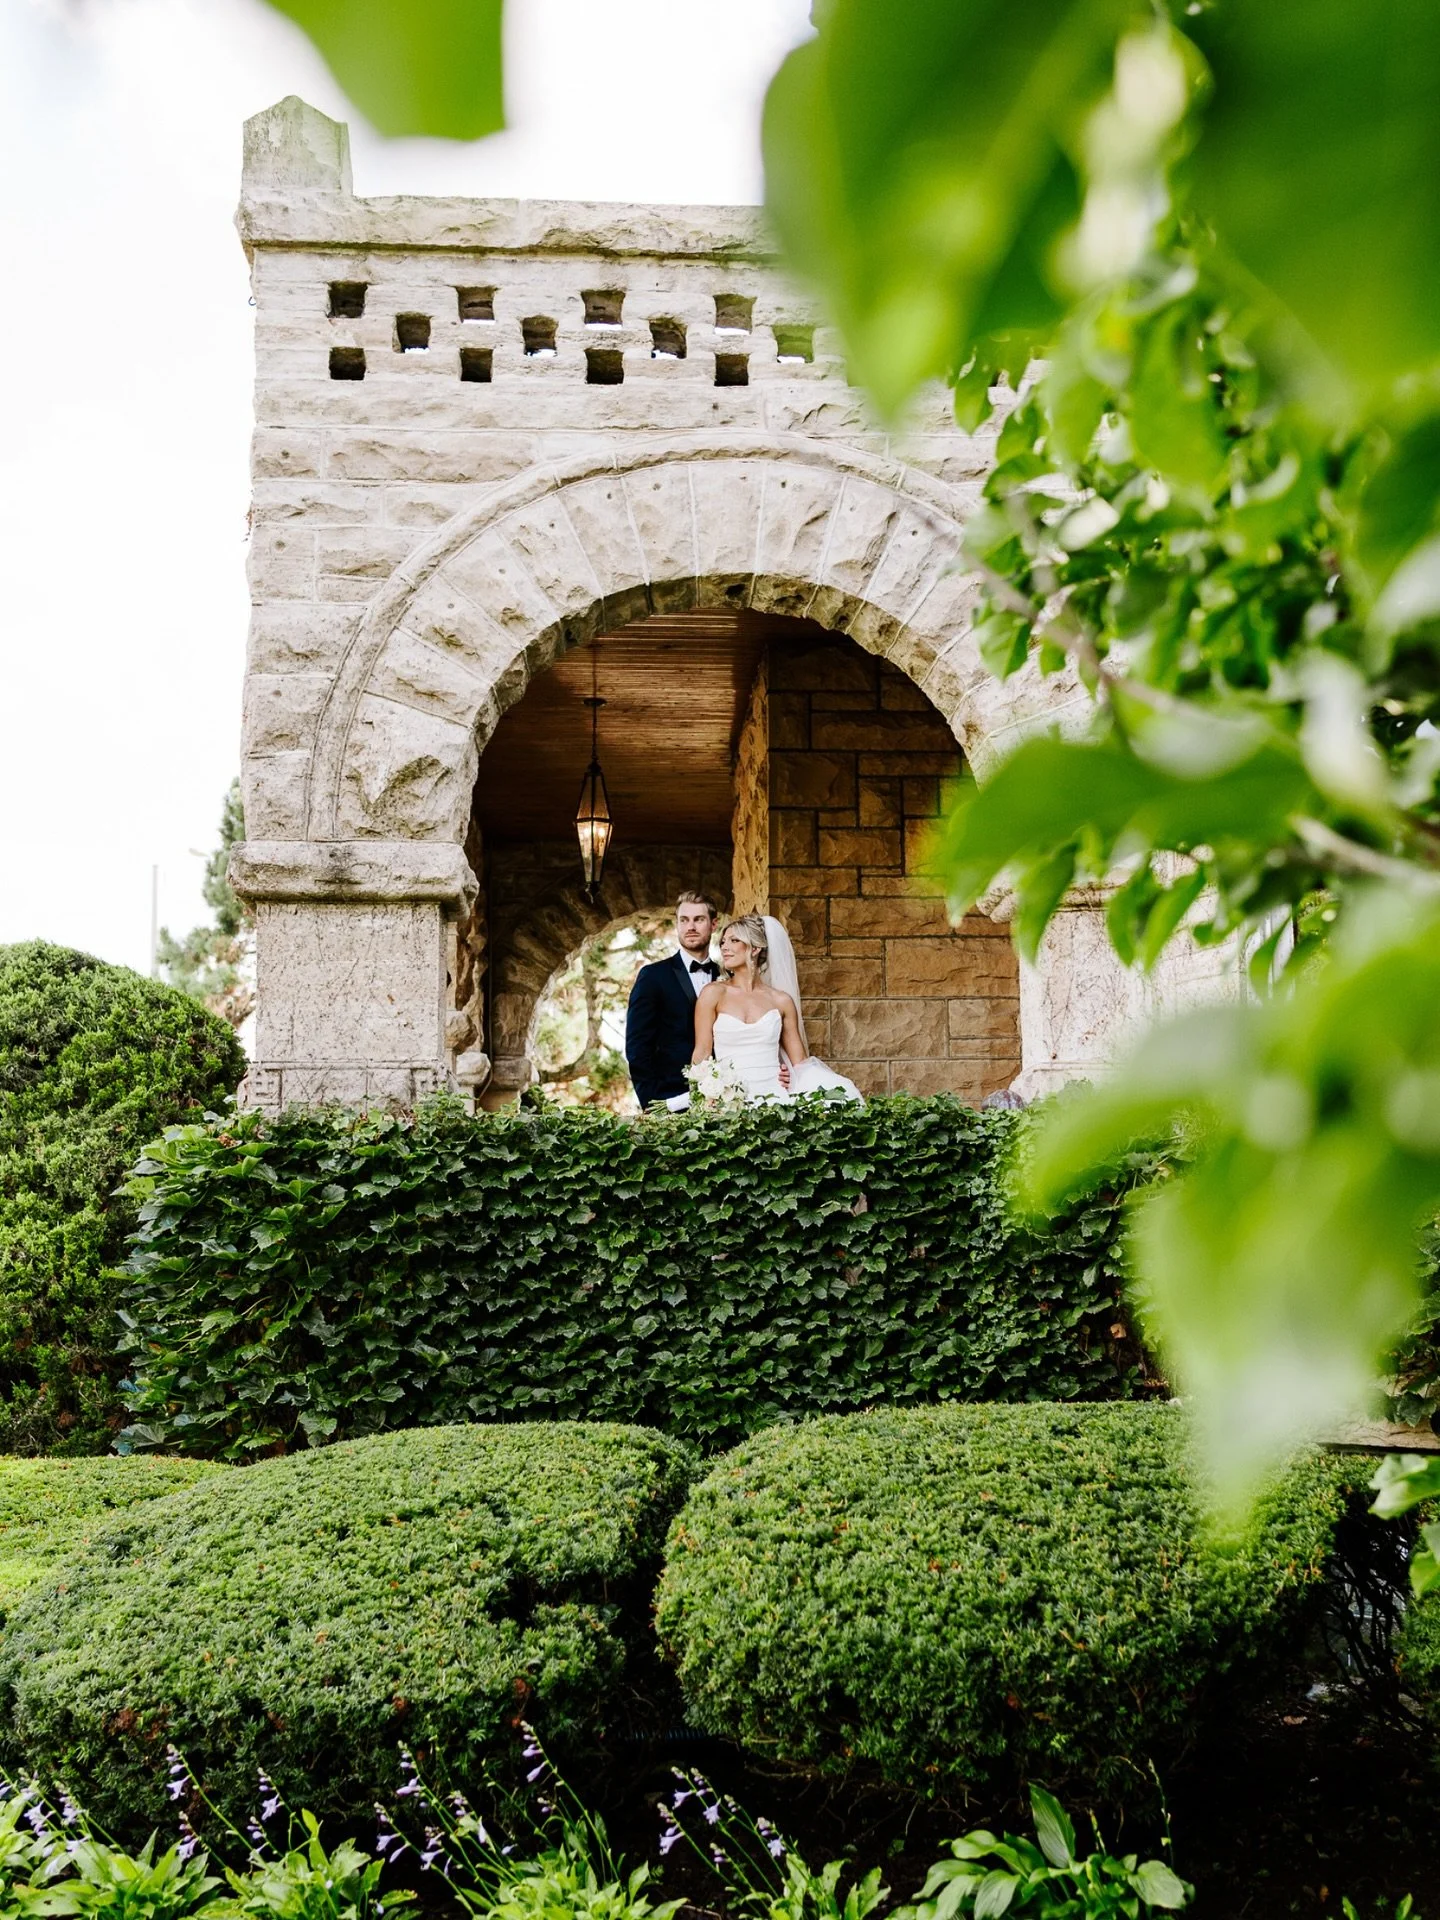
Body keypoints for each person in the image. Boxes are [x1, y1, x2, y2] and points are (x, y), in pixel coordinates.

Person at [692, 913, 862, 1103]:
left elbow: (800, 1063)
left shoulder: (781, 1001)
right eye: (723, 941)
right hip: (729, 1100)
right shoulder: (713, 993)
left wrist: (792, 1075)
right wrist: (704, 1096)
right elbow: (701, 1054)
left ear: (755, 948)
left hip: (775, 1097)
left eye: (734, 940)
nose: (724, 947)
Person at [624, 891, 724, 1111]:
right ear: (677, 924)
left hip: (726, 1100)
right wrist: (653, 1104)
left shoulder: (728, 978)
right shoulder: (653, 976)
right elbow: (637, 1046)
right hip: (671, 1101)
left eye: (699, 919)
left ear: (714, 924)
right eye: (684, 920)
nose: (691, 927)